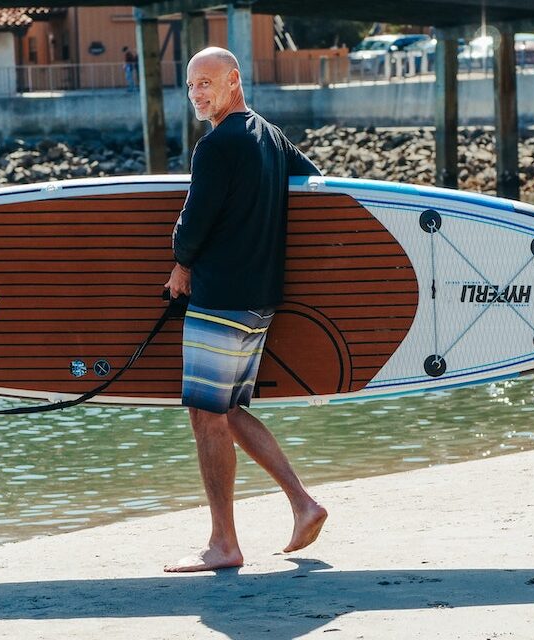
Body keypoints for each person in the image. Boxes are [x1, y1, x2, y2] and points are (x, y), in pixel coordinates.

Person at [163, 47, 327, 573]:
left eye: (207, 83)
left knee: (206, 417)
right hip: (259, 300)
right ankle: (304, 504)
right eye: (192, 87)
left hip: (220, 299)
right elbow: (315, 182)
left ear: (234, 80)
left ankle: (224, 544)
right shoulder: (270, 137)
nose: (199, 94)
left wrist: (181, 264)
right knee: (226, 410)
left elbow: (190, 227)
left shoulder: (215, 146)